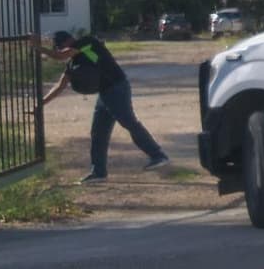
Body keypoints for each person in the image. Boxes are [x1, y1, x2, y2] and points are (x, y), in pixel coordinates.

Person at [31, 30, 170, 184]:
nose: (60, 49)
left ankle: (158, 155)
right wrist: (41, 104)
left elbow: (60, 56)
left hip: (117, 87)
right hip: (105, 94)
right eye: (57, 47)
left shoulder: (87, 43)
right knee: (98, 132)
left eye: (61, 46)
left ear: (69, 40)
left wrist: (38, 47)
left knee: (128, 121)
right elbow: (60, 85)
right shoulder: (73, 63)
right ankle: (98, 172)